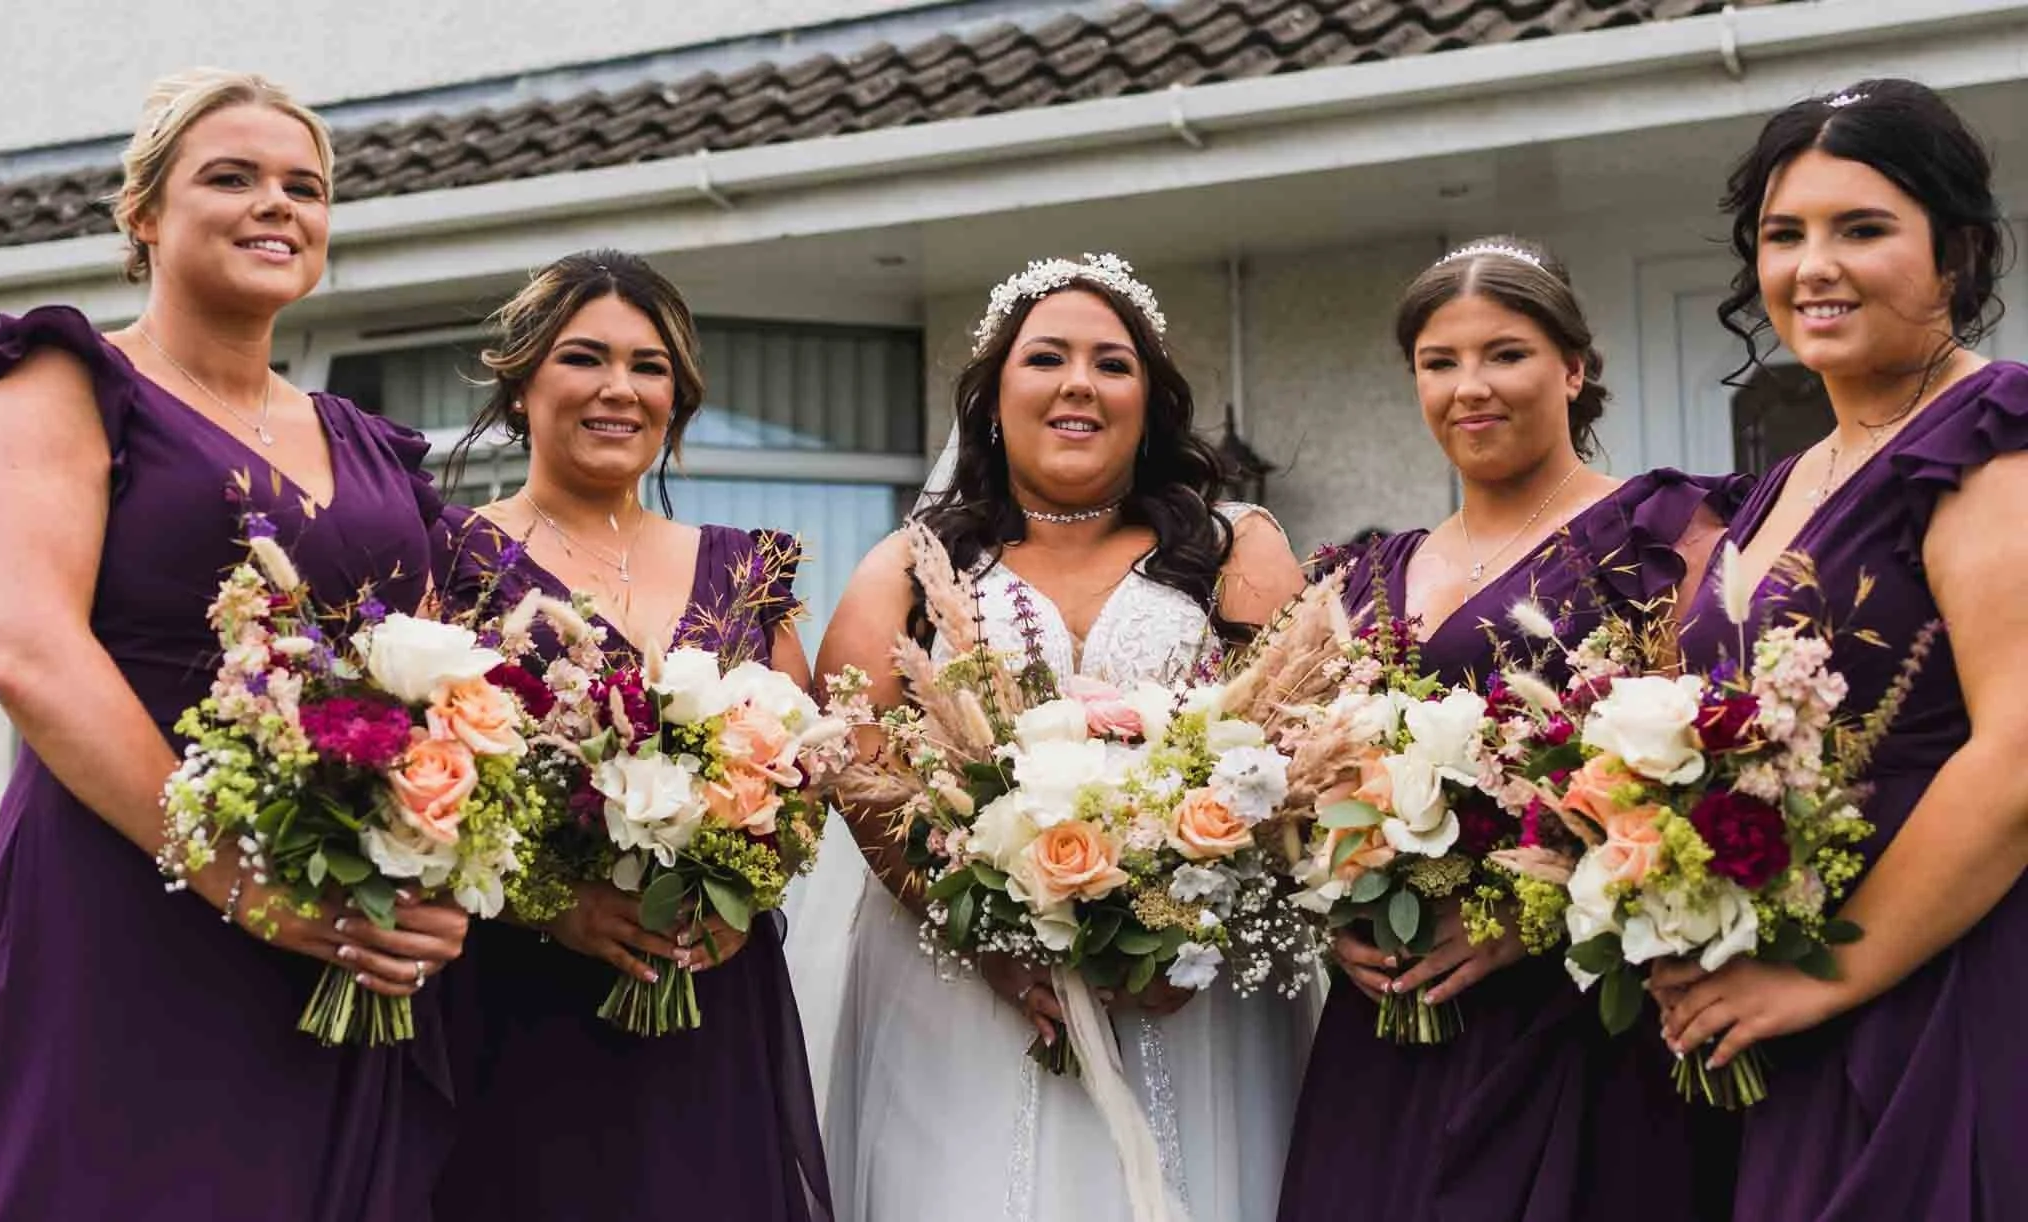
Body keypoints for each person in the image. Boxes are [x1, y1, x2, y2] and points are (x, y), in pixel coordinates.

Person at [0, 70, 467, 1220]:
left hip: (345, 927)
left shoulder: (372, 445)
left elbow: (452, 676)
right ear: (143, 213)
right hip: (122, 905)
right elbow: (27, 648)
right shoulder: (67, 383)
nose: (276, 206)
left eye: (304, 187)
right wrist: (233, 876)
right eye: (232, 178)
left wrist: (449, 867)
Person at [809, 254, 1308, 1221]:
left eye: (1112, 364)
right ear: (993, 398)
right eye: (1047, 358)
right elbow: (856, 769)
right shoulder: (912, 565)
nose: (1080, 383)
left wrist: (1185, 925)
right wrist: (990, 939)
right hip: (961, 990)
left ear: (1150, 403)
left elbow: (1298, 745)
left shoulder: (1235, 545)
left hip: (1197, 990)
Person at [1277, 236, 1747, 1222]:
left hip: (1575, 1022)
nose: (1467, 387)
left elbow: (1725, 761)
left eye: (1504, 353)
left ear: (1572, 368)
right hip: (1391, 1025)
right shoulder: (1361, 578)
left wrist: (1521, 917)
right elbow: (1313, 775)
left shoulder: (1659, 534)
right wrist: (1338, 913)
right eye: (1436, 362)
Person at [1654, 79, 2027, 1221]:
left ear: (1954, 253)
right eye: (1782, 234)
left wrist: (1825, 973)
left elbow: (2015, 755)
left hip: (1939, 980)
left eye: (1860, 229)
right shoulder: (1786, 478)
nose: (1812, 266)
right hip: (1792, 983)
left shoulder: (1990, 441)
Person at [427, 250, 831, 1222]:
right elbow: (412, 777)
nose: (620, 388)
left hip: (709, 998)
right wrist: (550, 905)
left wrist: (741, 892)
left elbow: (805, 770)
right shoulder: (445, 559)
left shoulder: (744, 570)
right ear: (521, 382)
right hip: (520, 1006)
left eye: (648, 367)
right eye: (584, 358)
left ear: (677, 399)